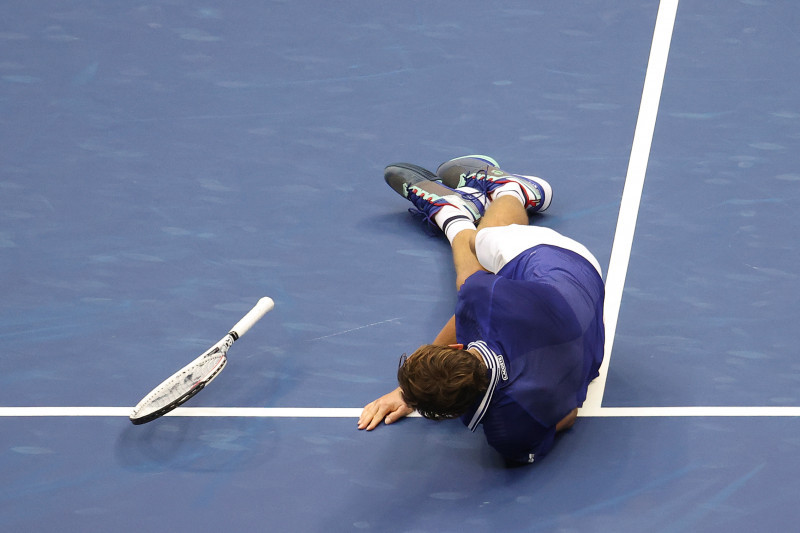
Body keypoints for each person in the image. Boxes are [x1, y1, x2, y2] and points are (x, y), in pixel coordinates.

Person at [357, 155, 605, 465]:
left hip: (588, 321)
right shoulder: (486, 305)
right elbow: (467, 277)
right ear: (459, 346)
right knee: (481, 248)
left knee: (479, 244)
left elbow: (568, 416)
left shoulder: (509, 434)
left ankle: (484, 200)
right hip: (566, 268)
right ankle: (485, 200)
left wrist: (413, 394)